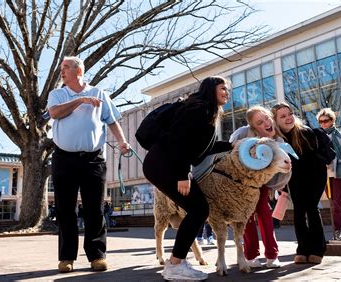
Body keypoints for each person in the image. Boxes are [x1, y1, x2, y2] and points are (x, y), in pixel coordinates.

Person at [143, 76, 232, 281]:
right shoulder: (199, 109)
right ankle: (175, 264)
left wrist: (230, 146)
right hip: (164, 164)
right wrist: (182, 174)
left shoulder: (203, 110)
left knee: (197, 209)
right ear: (211, 89)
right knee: (199, 209)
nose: (227, 92)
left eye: (227, 89)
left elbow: (202, 149)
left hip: (164, 164)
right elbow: (178, 140)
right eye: (223, 88)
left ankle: (177, 262)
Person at [47, 56, 130, 273]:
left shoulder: (99, 93)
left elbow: (111, 120)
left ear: (79, 71)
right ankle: (66, 258)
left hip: (93, 159)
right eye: (61, 68)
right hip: (64, 158)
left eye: (65, 68)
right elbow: (54, 113)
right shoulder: (58, 94)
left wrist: (122, 142)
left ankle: (97, 256)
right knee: (65, 210)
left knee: (94, 209)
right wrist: (80, 101)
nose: (61, 72)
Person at [229, 106, 289, 269]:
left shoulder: (278, 141)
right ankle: (251, 255)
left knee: (264, 211)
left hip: (262, 182)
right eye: (260, 122)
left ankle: (272, 255)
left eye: (267, 118)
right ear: (253, 127)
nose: (267, 123)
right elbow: (229, 151)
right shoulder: (243, 133)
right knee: (247, 215)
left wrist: (277, 186)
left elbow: (282, 168)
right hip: (242, 182)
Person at [272, 102, 329, 264]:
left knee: (311, 208)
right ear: (276, 120)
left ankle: (317, 249)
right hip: (294, 177)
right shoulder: (277, 138)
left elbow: (313, 160)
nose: (288, 118)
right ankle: (303, 249)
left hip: (315, 175)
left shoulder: (305, 132)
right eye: (282, 116)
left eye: (289, 114)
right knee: (298, 211)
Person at [316, 108, 341, 240]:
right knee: (335, 203)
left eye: (325, 121)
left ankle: (339, 230)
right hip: (326, 174)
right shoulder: (318, 137)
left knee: (338, 203)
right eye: (320, 122)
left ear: (332, 120)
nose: (323, 124)